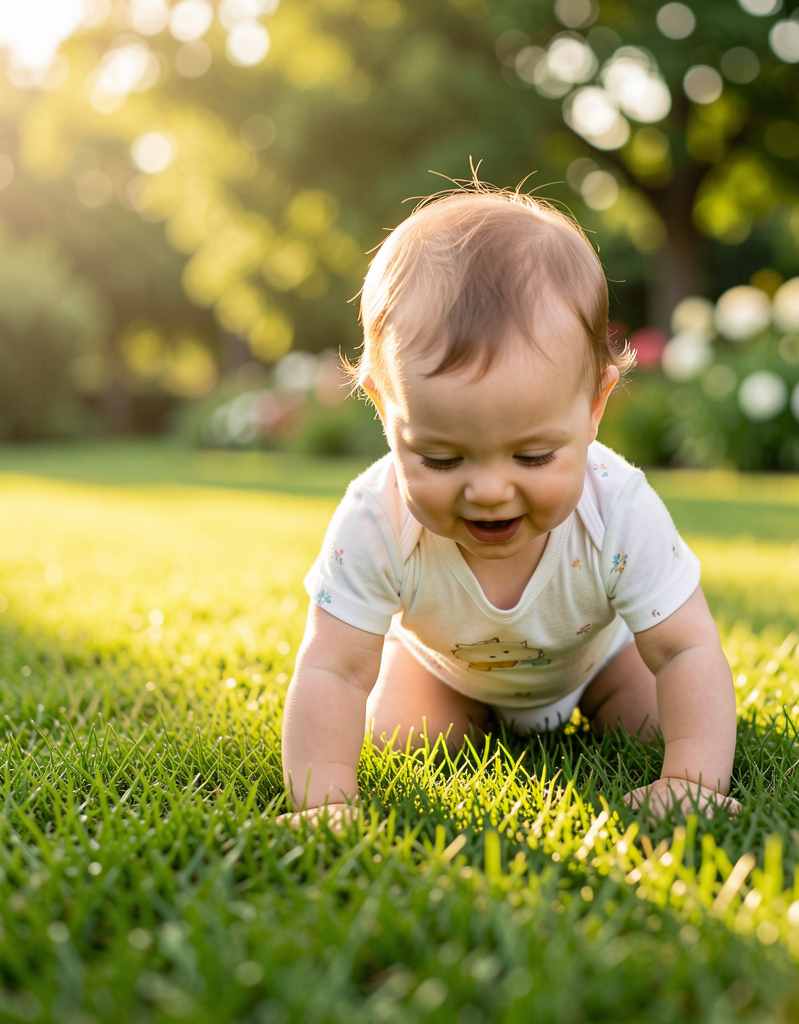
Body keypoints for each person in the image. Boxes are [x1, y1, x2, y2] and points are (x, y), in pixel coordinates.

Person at [281, 185, 737, 827]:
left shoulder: (618, 506)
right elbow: (333, 667)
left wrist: (692, 780)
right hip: (446, 672)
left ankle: (625, 718)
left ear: (594, 408)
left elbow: (687, 648)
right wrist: (323, 803)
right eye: (441, 458)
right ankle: (462, 710)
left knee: (659, 724)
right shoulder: (376, 518)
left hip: (600, 664)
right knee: (403, 740)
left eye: (532, 457)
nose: (490, 491)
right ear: (386, 410)